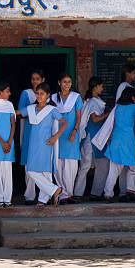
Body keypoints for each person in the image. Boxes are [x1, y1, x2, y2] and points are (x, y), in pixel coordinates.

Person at [21, 83, 67, 208]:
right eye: (37, 93)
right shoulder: (31, 109)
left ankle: (42, 200)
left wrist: (55, 137)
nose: (39, 96)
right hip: (33, 144)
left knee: (45, 171)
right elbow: (18, 113)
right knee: (30, 170)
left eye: (42, 94)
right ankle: (54, 190)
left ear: (47, 95)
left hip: (46, 143)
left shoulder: (52, 110)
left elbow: (64, 123)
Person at [104, 87, 135, 201]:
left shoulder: (117, 107)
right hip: (129, 141)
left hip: (116, 140)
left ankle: (108, 194)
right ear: (133, 97)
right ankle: (130, 189)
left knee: (114, 170)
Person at [74, 77, 109, 200]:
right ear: (95, 87)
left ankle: (91, 193)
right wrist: (108, 115)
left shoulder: (94, 100)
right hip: (92, 137)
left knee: (96, 165)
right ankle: (79, 194)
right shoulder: (93, 102)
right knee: (87, 165)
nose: (102, 88)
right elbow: (94, 119)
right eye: (101, 86)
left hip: (96, 136)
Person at [51, 73, 83, 204]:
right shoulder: (53, 97)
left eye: (69, 82)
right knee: (58, 164)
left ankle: (68, 193)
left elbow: (79, 116)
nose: (67, 84)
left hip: (71, 133)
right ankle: (61, 193)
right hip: (57, 133)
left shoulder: (76, 97)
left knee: (70, 164)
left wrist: (75, 130)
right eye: (64, 82)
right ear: (59, 83)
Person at [17, 69, 45, 205]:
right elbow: (21, 112)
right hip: (29, 130)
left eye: (38, 79)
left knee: (42, 164)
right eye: (33, 79)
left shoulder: (47, 95)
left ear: (43, 80)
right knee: (29, 163)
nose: (35, 81)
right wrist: (35, 109)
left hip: (43, 133)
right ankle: (29, 195)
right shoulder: (26, 93)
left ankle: (44, 195)